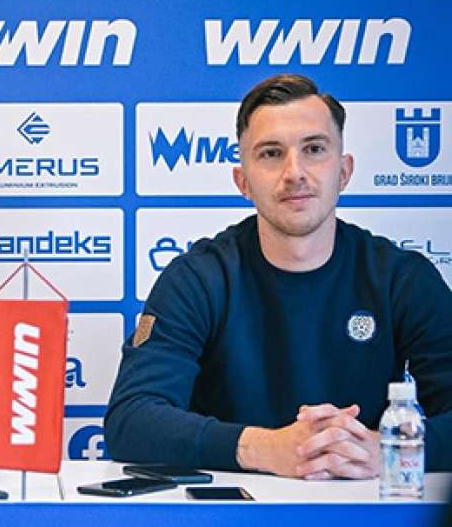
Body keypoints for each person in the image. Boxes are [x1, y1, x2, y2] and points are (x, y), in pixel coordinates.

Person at [105, 74, 452, 479]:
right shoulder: (198, 279)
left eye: (314, 149)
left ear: (344, 172)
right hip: (233, 509)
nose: (294, 172)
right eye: (271, 153)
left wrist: (392, 449)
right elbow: (131, 419)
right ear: (243, 182)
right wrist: (264, 448)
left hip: (360, 502)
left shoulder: (401, 278)